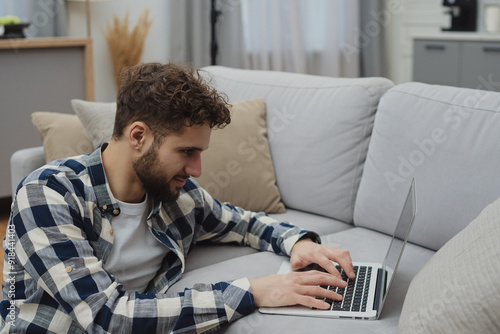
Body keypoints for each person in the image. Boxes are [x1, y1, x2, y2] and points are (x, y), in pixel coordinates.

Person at [1, 62, 354, 333]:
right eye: (186, 151)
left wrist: (298, 243)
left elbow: (242, 222)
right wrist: (253, 291)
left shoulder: (177, 199)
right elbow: (107, 317)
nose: (197, 169)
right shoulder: (48, 194)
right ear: (138, 135)